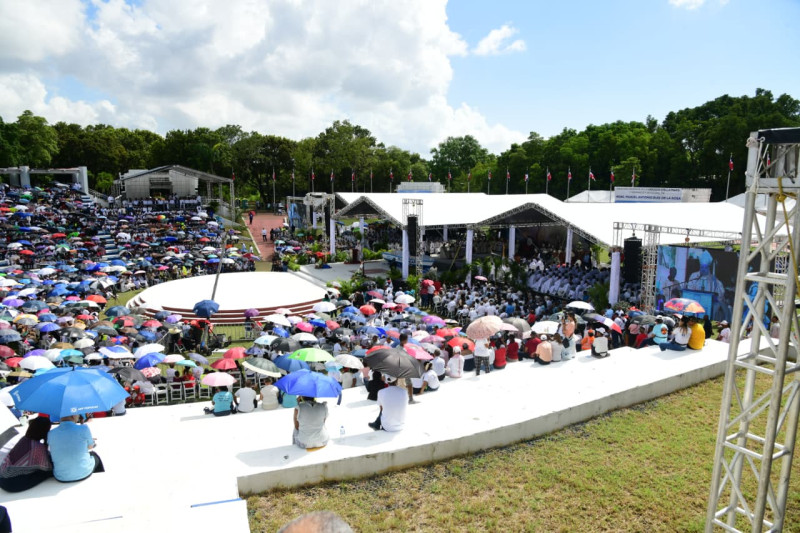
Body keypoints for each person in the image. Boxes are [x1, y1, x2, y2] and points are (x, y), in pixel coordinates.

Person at [0, 417, 53, 492]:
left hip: (2, 477)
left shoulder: (24, 439)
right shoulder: (37, 447)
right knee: (49, 472)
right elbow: (47, 467)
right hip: (11, 483)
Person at [48, 415, 104, 483]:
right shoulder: (84, 428)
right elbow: (90, 446)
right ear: (73, 416)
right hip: (84, 473)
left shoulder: (51, 433)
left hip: (61, 477)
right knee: (94, 455)